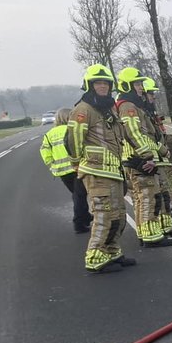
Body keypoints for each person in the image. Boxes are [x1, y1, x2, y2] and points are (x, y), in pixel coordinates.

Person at [66, 64, 136, 274]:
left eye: (106, 83)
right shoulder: (83, 109)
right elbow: (73, 140)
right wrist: (77, 164)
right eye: (98, 82)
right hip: (96, 172)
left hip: (113, 170)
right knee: (104, 215)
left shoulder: (109, 107)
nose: (103, 86)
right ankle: (96, 257)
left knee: (119, 215)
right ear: (89, 85)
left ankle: (112, 252)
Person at [115, 67, 172, 248]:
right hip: (138, 160)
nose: (141, 87)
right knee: (148, 198)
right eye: (137, 83)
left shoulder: (132, 105)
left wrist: (158, 151)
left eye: (141, 83)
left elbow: (147, 134)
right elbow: (133, 133)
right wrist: (148, 156)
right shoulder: (128, 106)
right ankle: (150, 236)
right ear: (128, 85)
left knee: (146, 198)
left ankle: (148, 232)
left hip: (138, 158)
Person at [139, 77, 172, 235]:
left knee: (163, 189)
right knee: (155, 195)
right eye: (151, 93)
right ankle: (160, 225)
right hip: (150, 158)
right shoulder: (139, 111)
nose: (153, 97)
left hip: (156, 157)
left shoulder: (147, 110)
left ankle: (166, 222)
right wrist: (160, 149)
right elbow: (144, 136)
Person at [39, 107, 91, 233]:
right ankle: (79, 223)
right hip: (77, 168)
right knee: (80, 196)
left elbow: (45, 152)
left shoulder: (49, 134)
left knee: (78, 195)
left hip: (62, 172)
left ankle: (86, 217)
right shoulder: (72, 130)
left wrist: (52, 165)